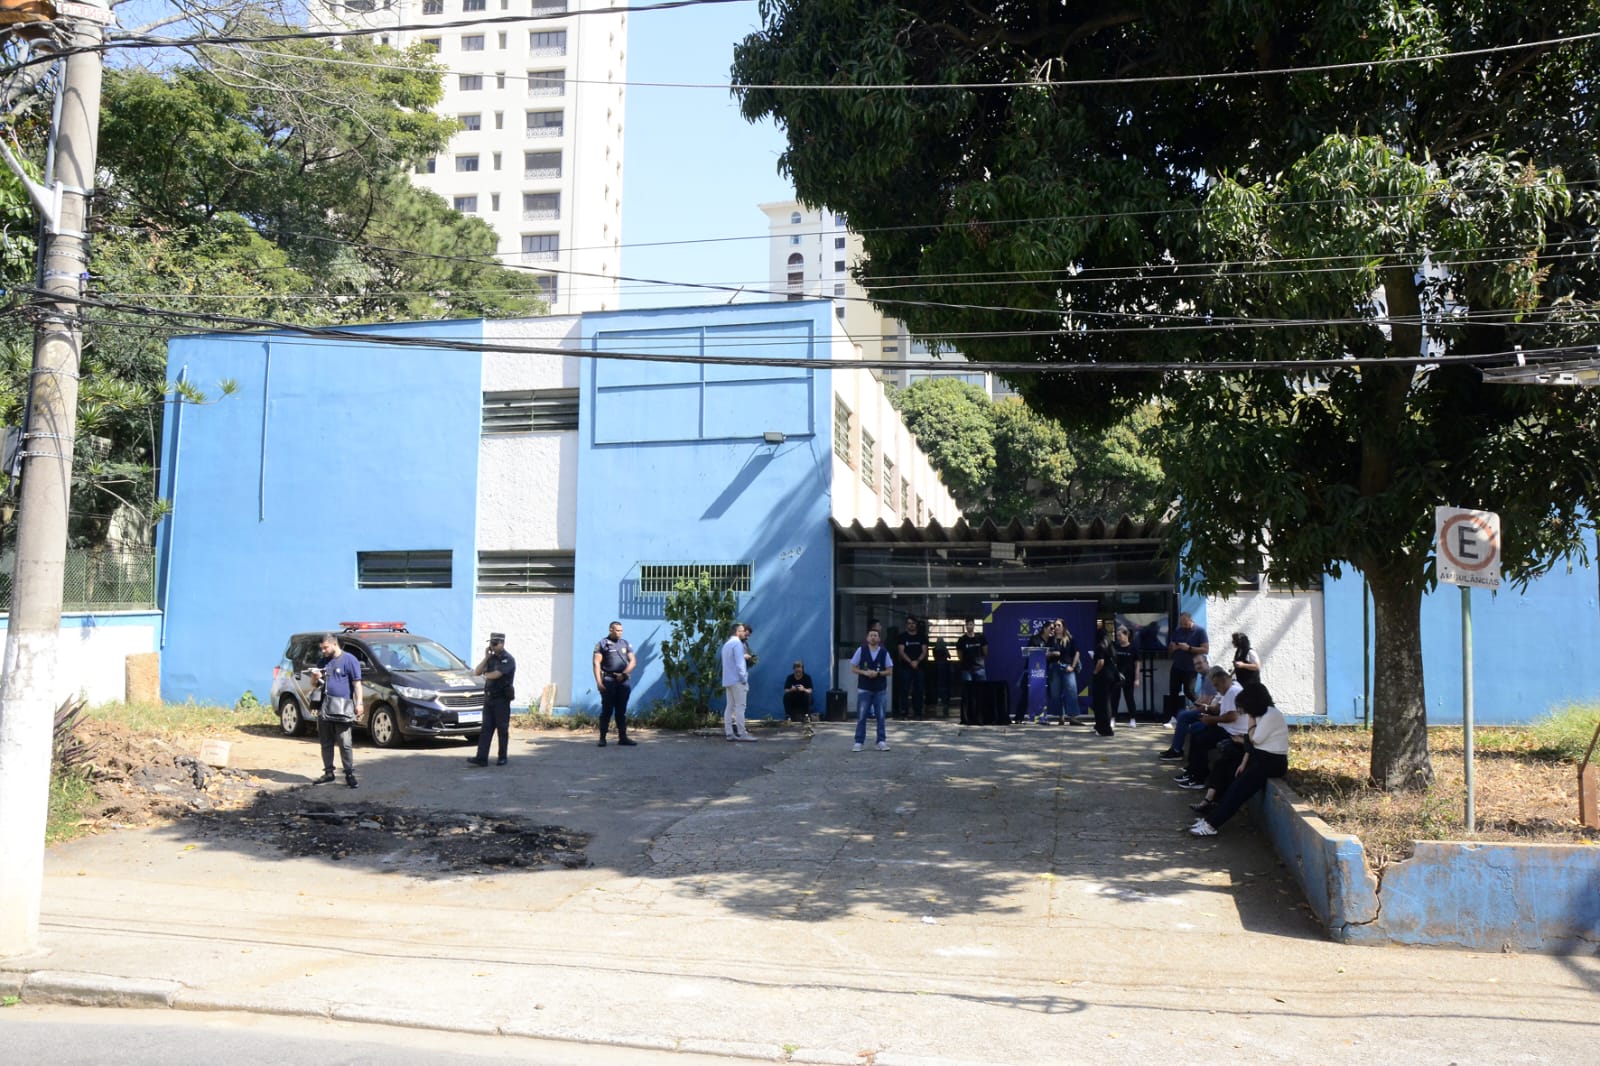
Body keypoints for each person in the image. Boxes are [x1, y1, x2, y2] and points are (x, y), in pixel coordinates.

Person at [1189, 682, 1290, 836]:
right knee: (1226, 768)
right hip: (1259, 757)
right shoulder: (1261, 714)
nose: (1245, 711)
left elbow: (1255, 739)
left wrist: (1251, 723)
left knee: (1238, 790)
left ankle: (1211, 825)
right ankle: (1210, 814)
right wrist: (1243, 763)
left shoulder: (1271, 714)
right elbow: (1251, 744)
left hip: (1272, 762)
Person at [1176, 666, 1246, 790]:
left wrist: (1211, 720)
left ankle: (1199, 778)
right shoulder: (1228, 691)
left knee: (1201, 739)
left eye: (1217, 685)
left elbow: (1232, 716)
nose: (1216, 689)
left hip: (1233, 732)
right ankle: (1192, 771)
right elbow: (1221, 711)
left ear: (1224, 681)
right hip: (1226, 728)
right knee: (1196, 733)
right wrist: (1207, 712)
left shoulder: (1233, 691)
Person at [310, 633, 362, 789]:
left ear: (334, 644)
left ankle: (349, 774)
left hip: (343, 708)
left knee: (345, 743)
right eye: (321, 648)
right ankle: (328, 773)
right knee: (326, 742)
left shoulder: (349, 660)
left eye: (325, 648)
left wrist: (359, 703)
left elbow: (357, 684)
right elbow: (314, 685)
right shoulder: (323, 661)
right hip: (324, 707)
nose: (323, 651)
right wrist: (315, 677)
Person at [467, 632, 517, 766]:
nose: (493, 646)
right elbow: (477, 671)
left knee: (502, 729)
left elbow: (496, 674)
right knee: (486, 729)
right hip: (489, 699)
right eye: (491, 643)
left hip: (501, 700)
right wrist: (486, 658)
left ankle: (502, 757)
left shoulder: (508, 659)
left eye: (495, 644)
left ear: (502, 643)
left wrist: (484, 674)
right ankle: (481, 758)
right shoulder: (491, 659)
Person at [592, 621, 636, 747]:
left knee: (621, 711)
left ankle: (623, 738)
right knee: (607, 710)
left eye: (621, 630)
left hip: (623, 681)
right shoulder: (602, 644)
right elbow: (596, 663)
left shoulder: (625, 643)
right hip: (609, 681)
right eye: (617, 630)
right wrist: (599, 682)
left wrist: (624, 674)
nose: (620, 633)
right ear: (611, 630)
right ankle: (602, 738)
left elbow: (633, 661)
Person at [850, 624, 893, 751]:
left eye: (875, 635)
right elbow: (853, 667)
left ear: (879, 639)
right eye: (871, 635)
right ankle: (859, 741)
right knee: (861, 716)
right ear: (867, 638)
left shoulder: (884, 652)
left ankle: (881, 741)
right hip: (864, 688)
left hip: (880, 689)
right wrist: (864, 672)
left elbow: (890, 671)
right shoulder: (861, 650)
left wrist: (878, 673)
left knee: (881, 716)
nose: (873, 637)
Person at [721, 622, 757, 741]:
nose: (744, 633)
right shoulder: (737, 644)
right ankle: (742, 733)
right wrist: (744, 679)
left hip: (728, 680)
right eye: (742, 631)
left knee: (729, 707)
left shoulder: (727, 644)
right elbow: (740, 663)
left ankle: (729, 733)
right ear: (737, 632)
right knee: (740, 707)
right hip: (737, 680)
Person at [1168, 611, 1209, 706]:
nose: (1183, 626)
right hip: (1177, 666)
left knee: (1189, 691)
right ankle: (1174, 713)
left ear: (1191, 620)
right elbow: (1171, 647)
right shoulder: (1178, 630)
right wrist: (1173, 648)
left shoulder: (1200, 631)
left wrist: (1189, 648)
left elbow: (1205, 650)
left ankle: (1203, 709)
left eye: (1185, 624)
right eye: (1181, 624)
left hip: (1191, 667)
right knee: (1173, 691)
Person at [1043, 620, 1080, 724]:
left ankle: (1072, 718)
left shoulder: (1070, 639)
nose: (1056, 627)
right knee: (1055, 693)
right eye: (1055, 625)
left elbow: (1077, 653)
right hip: (1054, 668)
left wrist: (1072, 666)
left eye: (1059, 625)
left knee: (1071, 692)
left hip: (1067, 667)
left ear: (1063, 627)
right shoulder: (1051, 639)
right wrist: (1051, 654)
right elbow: (1046, 653)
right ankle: (1061, 717)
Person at [894, 616, 927, 720]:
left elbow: (924, 651)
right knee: (904, 690)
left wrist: (917, 661)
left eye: (913, 623)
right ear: (906, 625)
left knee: (918, 690)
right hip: (905, 667)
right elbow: (901, 651)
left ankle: (918, 713)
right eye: (909, 623)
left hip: (919, 667)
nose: (911, 625)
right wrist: (910, 662)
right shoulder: (902, 637)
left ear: (916, 624)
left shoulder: (922, 637)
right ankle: (904, 712)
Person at [1090, 619, 1117, 736]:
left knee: (1101, 703)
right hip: (1111, 677)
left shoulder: (1100, 647)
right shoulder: (1111, 647)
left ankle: (1103, 728)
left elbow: (1101, 662)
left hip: (1102, 677)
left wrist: (1095, 672)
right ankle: (1104, 726)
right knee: (1107, 702)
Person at [1110, 625, 1140, 727]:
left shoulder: (1133, 648)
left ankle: (1132, 719)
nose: (1118, 638)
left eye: (1120, 635)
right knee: (1115, 698)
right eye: (1117, 636)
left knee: (1129, 697)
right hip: (1117, 676)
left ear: (1126, 635)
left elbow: (1137, 664)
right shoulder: (1115, 647)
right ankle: (1113, 718)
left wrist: (1137, 679)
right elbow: (1112, 661)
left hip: (1129, 676)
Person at [955, 617, 987, 683]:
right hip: (967, 669)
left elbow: (985, 652)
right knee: (968, 688)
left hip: (979, 669)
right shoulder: (962, 640)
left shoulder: (980, 638)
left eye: (970, 624)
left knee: (982, 688)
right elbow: (960, 656)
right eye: (967, 625)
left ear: (974, 625)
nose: (968, 626)